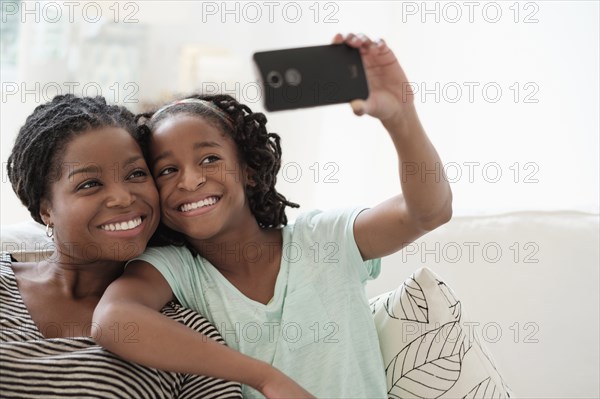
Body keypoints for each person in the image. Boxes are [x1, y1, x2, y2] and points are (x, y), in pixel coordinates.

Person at [93, 33, 453, 398]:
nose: (190, 180)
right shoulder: (177, 270)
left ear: (249, 169)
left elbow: (428, 212)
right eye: (167, 170)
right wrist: (266, 378)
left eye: (210, 159)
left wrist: (400, 116)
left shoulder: (325, 239)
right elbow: (113, 321)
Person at [1, 94, 312, 398]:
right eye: (90, 184)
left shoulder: (186, 333)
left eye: (137, 174)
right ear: (46, 210)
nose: (123, 198)